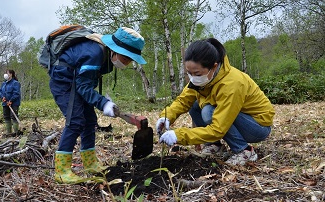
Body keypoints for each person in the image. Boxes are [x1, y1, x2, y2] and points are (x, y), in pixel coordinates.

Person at [49, 27, 146, 184]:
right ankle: (62, 171)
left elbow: (85, 82)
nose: (127, 63)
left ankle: (90, 163)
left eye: (130, 60)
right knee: (75, 121)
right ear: (115, 49)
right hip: (64, 83)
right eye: (126, 58)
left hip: (79, 82)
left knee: (90, 121)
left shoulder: (105, 55)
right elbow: (82, 86)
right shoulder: (94, 53)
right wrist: (103, 102)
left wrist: (103, 101)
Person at [156, 38, 275, 166]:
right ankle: (214, 145)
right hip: (236, 117)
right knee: (195, 105)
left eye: (196, 73)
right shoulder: (203, 79)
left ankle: (244, 151)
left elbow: (218, 129)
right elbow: (183, 100)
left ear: (214, 66)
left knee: (208, 111)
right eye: (189, 73)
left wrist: (179, 136)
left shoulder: (232, 84)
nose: (192, 78)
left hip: (257, 126)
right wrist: (166, 117)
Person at [0, 69, 21, 137]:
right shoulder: (3, 83)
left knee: (14, 117)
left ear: (11, 74)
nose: (6, 74)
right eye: (5, 73)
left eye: (7, 73)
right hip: (5, 103)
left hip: (14, 103)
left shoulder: (15, 83)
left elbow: (16, 93)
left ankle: (16, 133)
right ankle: (9, 133)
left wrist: (11, 100)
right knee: (6, 117)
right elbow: (0, 92)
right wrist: (2, 97)